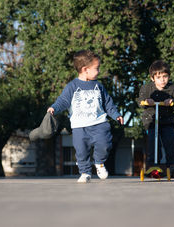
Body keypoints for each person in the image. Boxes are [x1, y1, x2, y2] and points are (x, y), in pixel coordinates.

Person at [47, 50, 123, 183]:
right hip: (79, 126)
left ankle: (99, 163)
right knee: (81, 151)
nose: (99, 71)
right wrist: (54, 107)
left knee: (104, 144)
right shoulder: (72, 86)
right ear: (85, 69)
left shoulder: (98, 86)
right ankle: (85, 172)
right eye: (96, 68)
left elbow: (108, 103)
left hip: (99, 123)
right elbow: (63, 100)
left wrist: (116, 115)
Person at [137, 60, 174, 177]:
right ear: (153, 78)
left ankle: (172, 166)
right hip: (152, 122)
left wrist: (173, 101)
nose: (162, 80)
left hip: (167, 122)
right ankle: (152, 166)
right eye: (159, 77)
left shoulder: (172, 88)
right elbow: (140, 100)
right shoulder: (147, 88)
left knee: (170, 143)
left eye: (165, 76)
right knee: (153, 144)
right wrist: (146, 101)